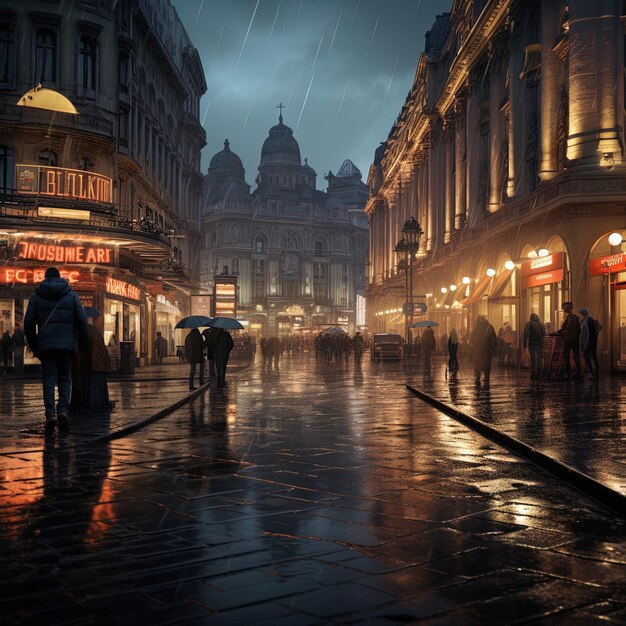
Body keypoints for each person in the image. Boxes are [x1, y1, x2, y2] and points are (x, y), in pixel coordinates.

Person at [24, 267, 88, 431]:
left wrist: (34, 345)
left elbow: (28, 324)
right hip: (67, 346)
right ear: (60, 278)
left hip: (46, 346)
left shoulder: (36, 297)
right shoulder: (72, 295)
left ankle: (50, 413)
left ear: (45, 278)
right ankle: (63, 410)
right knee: (65, 378)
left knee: (48, 379)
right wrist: (83, 343)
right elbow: (82, 321)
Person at [71, 312, 111, 411]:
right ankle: (95, 404)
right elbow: (102, 348)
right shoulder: (95, 330)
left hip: (80, 366)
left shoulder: (76, 331)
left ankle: (79, 404)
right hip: (95, 364)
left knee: (80, 387)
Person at [554, 302, 582, 381]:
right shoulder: (575, 317)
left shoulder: (569, 317)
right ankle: (578, 373)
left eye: (563, 309)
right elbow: (577, 329)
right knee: (576, 356)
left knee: (566, 355)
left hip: (568, 340)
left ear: (565, 309)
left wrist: (559, 333)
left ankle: (568, 372)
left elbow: (567, 328)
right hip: (575, 340)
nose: (563, 310)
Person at [470, 315, 497, 386]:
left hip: (478, 348)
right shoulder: (490, 327)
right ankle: (486, 376)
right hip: (488, 348)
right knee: (487, 362)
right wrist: (495, 347)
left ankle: (478, 377)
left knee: (478, 361)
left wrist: (474, 345)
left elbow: (472, 337)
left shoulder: (477, 327)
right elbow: (494, 337)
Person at [579, 307, 601, 381]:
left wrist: (584, 346)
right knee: (594, 358)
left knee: (588, 359)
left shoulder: (585, 322)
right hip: (593, 343)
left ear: (583, 315)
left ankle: (592, 374)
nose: (580, 316)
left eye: (580, 315)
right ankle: (597, 374)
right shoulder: (591, 319)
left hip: (588, 344)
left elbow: (586, 336)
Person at [523, 313, 545, 383]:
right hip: (539, 344)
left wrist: (525, 345)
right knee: (539, 358)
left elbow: (525, 334)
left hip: (532, 344)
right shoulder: (541, 324)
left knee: (533, 358)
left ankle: (533, 374)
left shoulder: (529, 324)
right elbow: (543, 333)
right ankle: (539, 373)